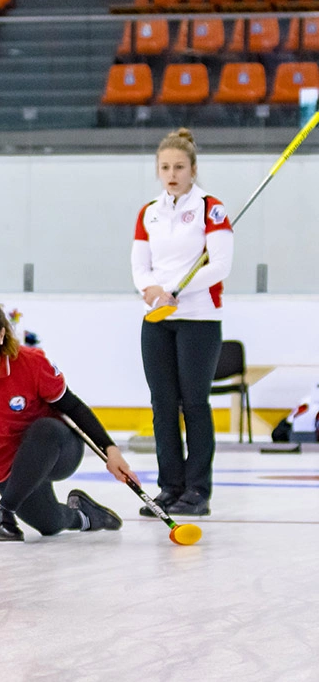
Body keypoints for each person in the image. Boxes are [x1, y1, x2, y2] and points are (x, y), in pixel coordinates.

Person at [0, 297, 132, 544]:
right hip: (4, 465)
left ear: (1, 335)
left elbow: (73, 406)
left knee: (44, 428)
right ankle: (83, 514)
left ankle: (4, 511)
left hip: (55, 449)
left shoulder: (31, 363)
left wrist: (110, 449)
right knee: (49, 525)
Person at [132, 128, 233, 518]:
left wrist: (175, 287)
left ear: (192, 169)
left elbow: (220, 265)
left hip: (198, 320)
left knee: (194, 403)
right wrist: (152, 289)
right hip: (157, 319)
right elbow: (140, 265)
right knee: (162, 406)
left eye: (179, 167)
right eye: (165, 167)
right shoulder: (149, 212)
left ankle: (198, 490)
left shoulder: (212, 208)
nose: (171, 174)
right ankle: (169, 487)